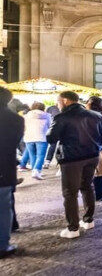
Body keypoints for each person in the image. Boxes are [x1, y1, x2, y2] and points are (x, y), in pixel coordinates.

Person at [47, 91, 102, 239]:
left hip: (71, 158)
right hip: (92, 156)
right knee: (87, 186)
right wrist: (96, 147)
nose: (57, 104)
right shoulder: (96, 116)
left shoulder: (62, 117)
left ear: (65, 101)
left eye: (58, 101)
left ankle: (73, 228)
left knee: (70, 192)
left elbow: (51, 138)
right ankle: (88, 220)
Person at [0, 87, 24, 258]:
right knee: (3, 207)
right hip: (4, 168)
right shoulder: (15, 119)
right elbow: (15, 143)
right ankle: (2, 245)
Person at [20, 102, 51, 180]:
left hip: (29, 137)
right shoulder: (47, 115)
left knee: (32, 155)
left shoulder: (26, 116)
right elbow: (50, 126)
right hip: (42, 137)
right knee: (40, 155)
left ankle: (35, 171)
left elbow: (23, 127)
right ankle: (37, 170)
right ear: (43, 107)